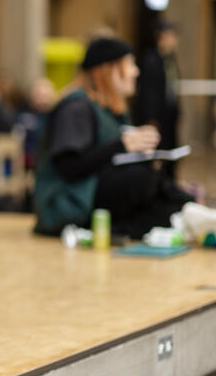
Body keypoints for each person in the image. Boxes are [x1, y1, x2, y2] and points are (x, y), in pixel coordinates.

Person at [33, 37, 193, 238]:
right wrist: (123, 145)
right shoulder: (76, 107)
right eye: (130, 64)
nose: (136, 71)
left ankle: (186, 208)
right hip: (68, 202)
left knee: (167, 199)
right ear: (108, 70)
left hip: (90, 194)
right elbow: (69, 166)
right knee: (142, 181)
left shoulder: (107, 109)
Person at [134, 21, 181, 180]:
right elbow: (149, 92)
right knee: (157, 156)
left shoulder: (170, 60)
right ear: (161, 37)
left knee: (170, 155)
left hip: (169, 116)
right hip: (156, 118)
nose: (174, 40)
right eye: (171, 36)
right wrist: (151, 119)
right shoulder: (151, 59)